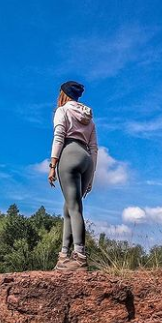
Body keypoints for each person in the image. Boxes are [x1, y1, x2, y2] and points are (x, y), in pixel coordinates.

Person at [47, 80, 98, 271]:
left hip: (69, 154)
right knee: (70, 207)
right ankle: (63, 255)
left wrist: (53, 165)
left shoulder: (63, 111)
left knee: (74, 208)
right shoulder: (90, 119)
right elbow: (94, 148)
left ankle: (79, 257)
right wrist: (91, 174)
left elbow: (59, 136)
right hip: (86, 159)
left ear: (63, 95)